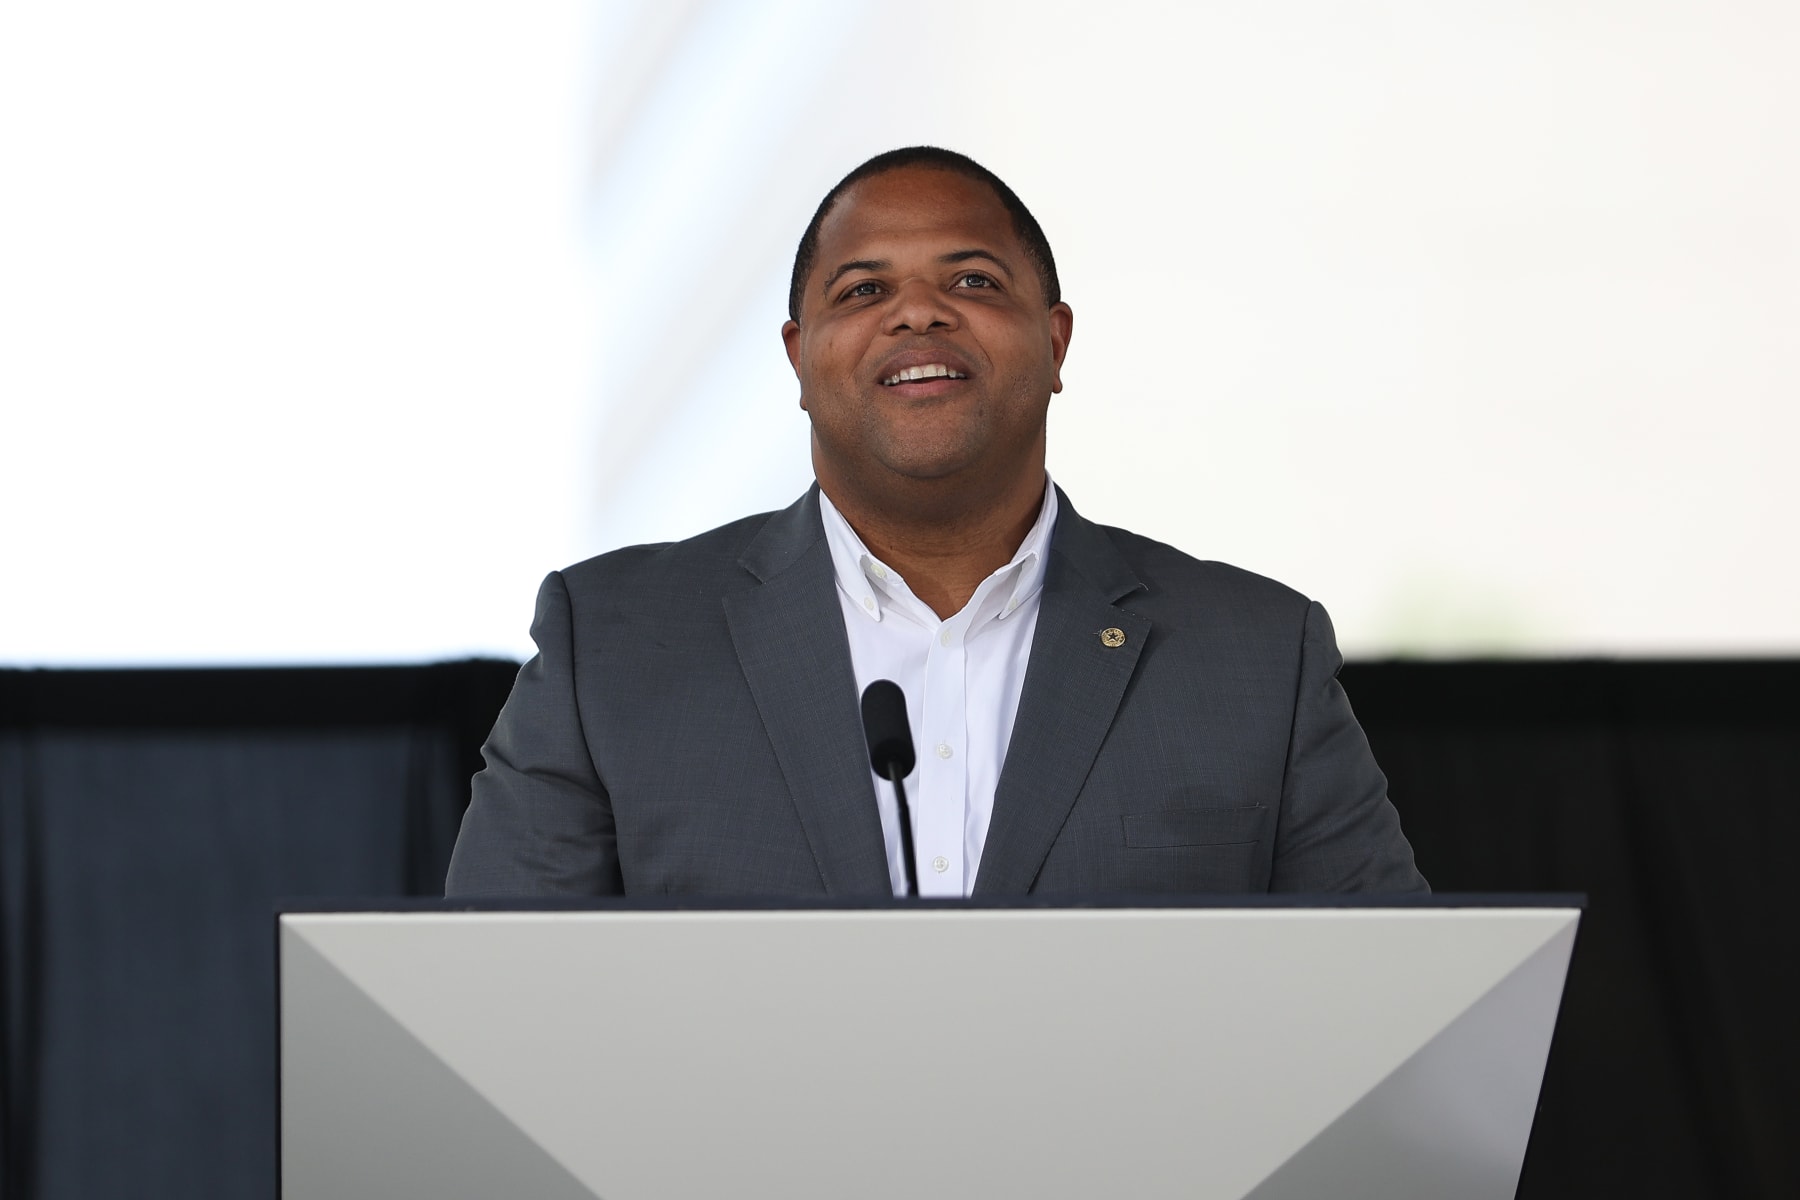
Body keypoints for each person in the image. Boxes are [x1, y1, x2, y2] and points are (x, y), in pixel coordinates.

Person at [445, 146, 1426, 898]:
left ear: (1054, 341)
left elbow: (1395, 1019)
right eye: (864, 290)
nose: (919, 314)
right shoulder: (613, 643)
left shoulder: (1256, 656)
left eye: (973, 283)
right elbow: (488, 1018)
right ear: (798, 359)